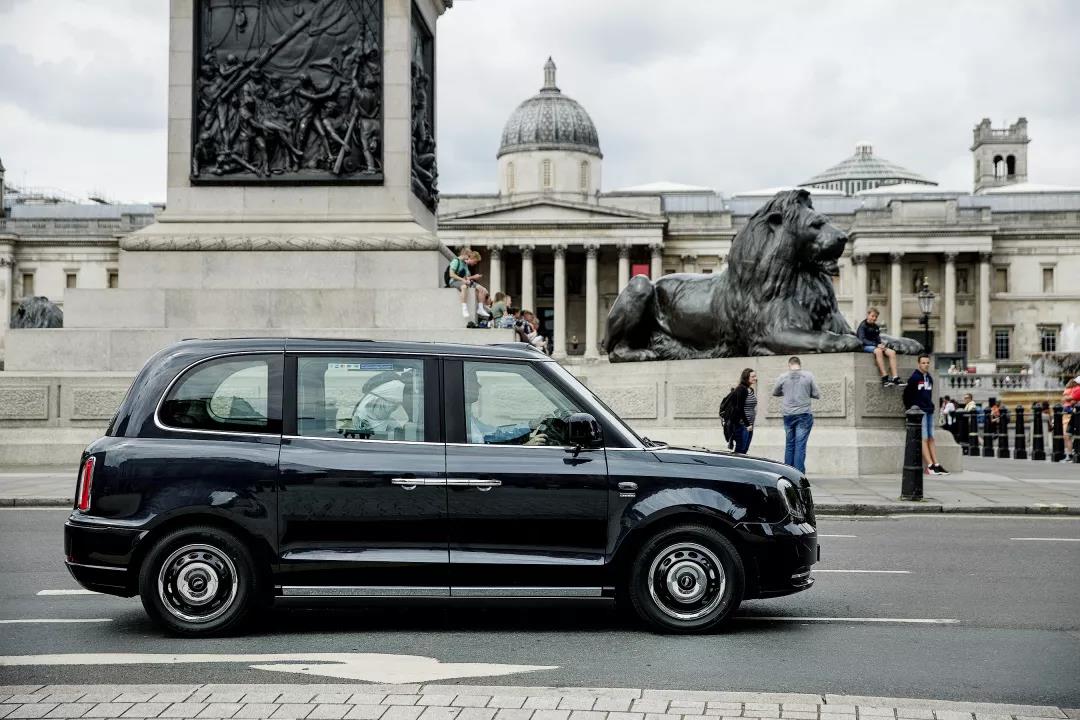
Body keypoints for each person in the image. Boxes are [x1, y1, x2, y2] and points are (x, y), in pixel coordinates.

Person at [903, 354, 949, 475]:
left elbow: (928, 395)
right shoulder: (914, 378)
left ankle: (936, 464)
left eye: (928, 363)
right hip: (919, 412)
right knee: (923, 438)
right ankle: (929, 466)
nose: (926, 365)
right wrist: (911, 410)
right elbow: (906, 395)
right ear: (919, 364)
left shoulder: (929, 378)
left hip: (929, 410)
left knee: (931, 437)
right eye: (923, 363)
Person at [772, 356, 820, 473]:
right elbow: (816, 394)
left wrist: (786, 392)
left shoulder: (783, 377)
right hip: (803, 414)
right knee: (800, 445)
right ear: (799, 364)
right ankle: (798, 475)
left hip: (788, 414)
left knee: (789, 444)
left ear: (789, 365)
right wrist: (805, 393)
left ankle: (787, 473)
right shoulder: (808, 376)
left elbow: (775, 392)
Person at [856, 308, 901, 387]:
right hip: (865, 346)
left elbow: (878, 339)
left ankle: (895, 378)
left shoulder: (876, 326)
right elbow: (862, 340)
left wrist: (882, 345)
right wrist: (876, 345)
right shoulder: (862, 326)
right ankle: (885, 378)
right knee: (878, 351)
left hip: (876, 346)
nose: (874, 318)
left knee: (892, 352)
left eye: (876, 317)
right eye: (872, 316)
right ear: (868, 315)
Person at [446, 249, 489, 318]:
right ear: (464, 254)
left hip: (463, 281)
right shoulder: (456, 261)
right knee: (464, 287)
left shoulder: (464, 263)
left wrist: (470, 278)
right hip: (453, 281)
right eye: (468, 256)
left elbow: (466, 277)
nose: (469, 258)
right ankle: (464, 308)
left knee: (481, 289)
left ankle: (480, 309)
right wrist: (463, 279)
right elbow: (451, 274)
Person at [725, 368, 758, 454]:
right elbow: (739, 408)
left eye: (755, 376)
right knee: (740, 450)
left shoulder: (750, 389)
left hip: (749, 425)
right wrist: (747, 424)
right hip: (742, 425)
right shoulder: (741, 389)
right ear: (746, 377)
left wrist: (749, 424)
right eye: (753, 376)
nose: (755, 378)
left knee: (744, 450)